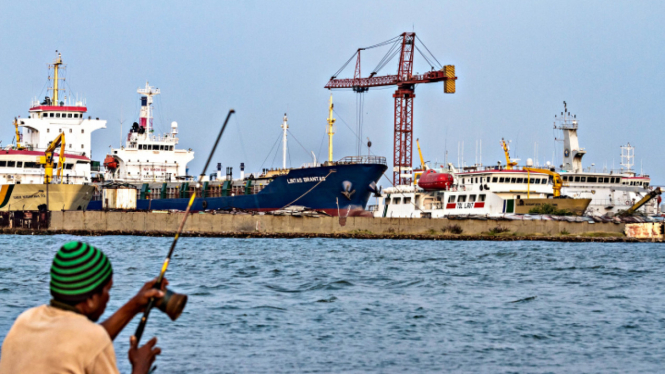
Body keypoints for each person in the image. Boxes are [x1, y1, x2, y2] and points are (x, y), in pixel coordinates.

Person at [0, 241, 167, 374]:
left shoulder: (25, 320)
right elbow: (88, 342)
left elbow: (76, 343)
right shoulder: (92, 339)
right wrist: (140, 368)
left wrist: (134, 305)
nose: (108, 297)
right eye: (107, 290)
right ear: (92, 298)